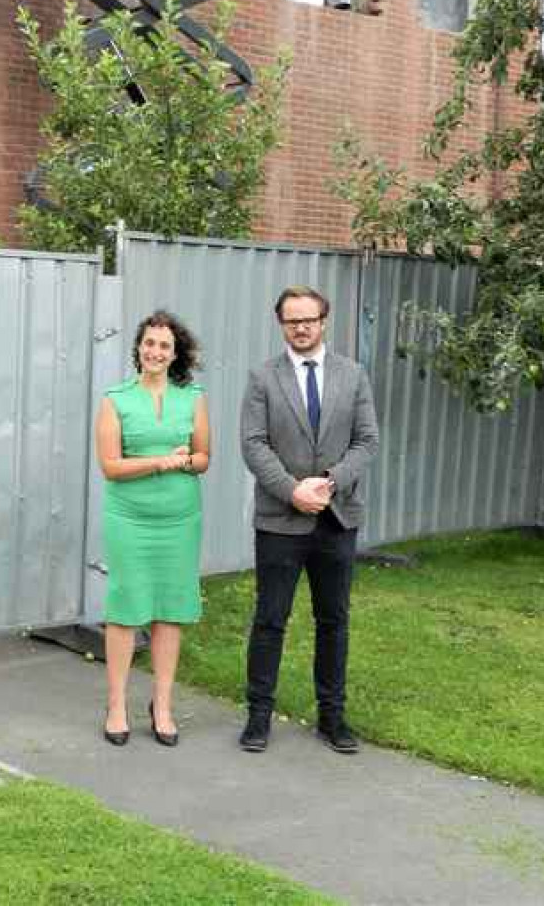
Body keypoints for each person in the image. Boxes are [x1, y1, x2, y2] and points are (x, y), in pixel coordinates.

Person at [239, 286, 379, 755]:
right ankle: (258, 716)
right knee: (270, 620)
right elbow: (254, 444)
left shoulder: (353, 375)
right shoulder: (262, 378)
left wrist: (330, 482)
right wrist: (292, 490)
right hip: (280, 519)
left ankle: (332, 717)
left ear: (324, 321)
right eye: (291, 320)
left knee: (333, 620)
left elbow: (366, 441)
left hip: (337, 519)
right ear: (281, 324)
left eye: (309, 319)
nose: (300, 327)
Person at [94, 310, 210, 748]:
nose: (155, 351)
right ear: (138, 349)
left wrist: (184, 460)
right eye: (149, 343)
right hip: (130, 520)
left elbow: (204, 458)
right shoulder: (115, 399)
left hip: (180, 521)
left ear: (174, 353)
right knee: (126, 609)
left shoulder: (193, 397)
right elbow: (110, 466)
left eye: (164, 345)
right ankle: (117, 705)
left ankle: (161, 706)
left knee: (171, 609)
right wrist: (158, 462)